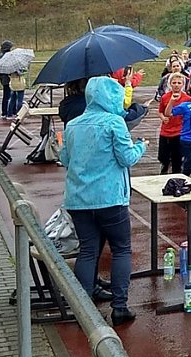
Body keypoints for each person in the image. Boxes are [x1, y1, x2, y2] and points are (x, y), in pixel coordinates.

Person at [60, 77, 148, 326]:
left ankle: (84, 307)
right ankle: (119, 306)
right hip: (110, 197)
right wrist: (141, 146)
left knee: (88, 251)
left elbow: (65, 159)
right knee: (121, 249)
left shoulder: (73, 125)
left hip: (79, 198)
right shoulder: (115, 122)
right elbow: (126, 158)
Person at [157, 73, 191, 175]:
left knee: (177, 158)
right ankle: (165, 168)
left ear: (183, 85)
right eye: (174, 83)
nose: (176, 85)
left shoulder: (187, 99)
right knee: (163, 156)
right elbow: (160, 111)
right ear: (170, 84)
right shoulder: (165, 97)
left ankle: (177, 176)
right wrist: (163, 117)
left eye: (179, 83)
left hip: (179, 131)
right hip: (165, 131)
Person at [0, 40, 13, 119]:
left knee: (7, 95)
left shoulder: (2, 55)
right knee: (7, 95)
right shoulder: (4, 56)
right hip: (5, 78)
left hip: (4, 77)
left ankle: (7, 111)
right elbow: (7, 67)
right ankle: (5, 112)